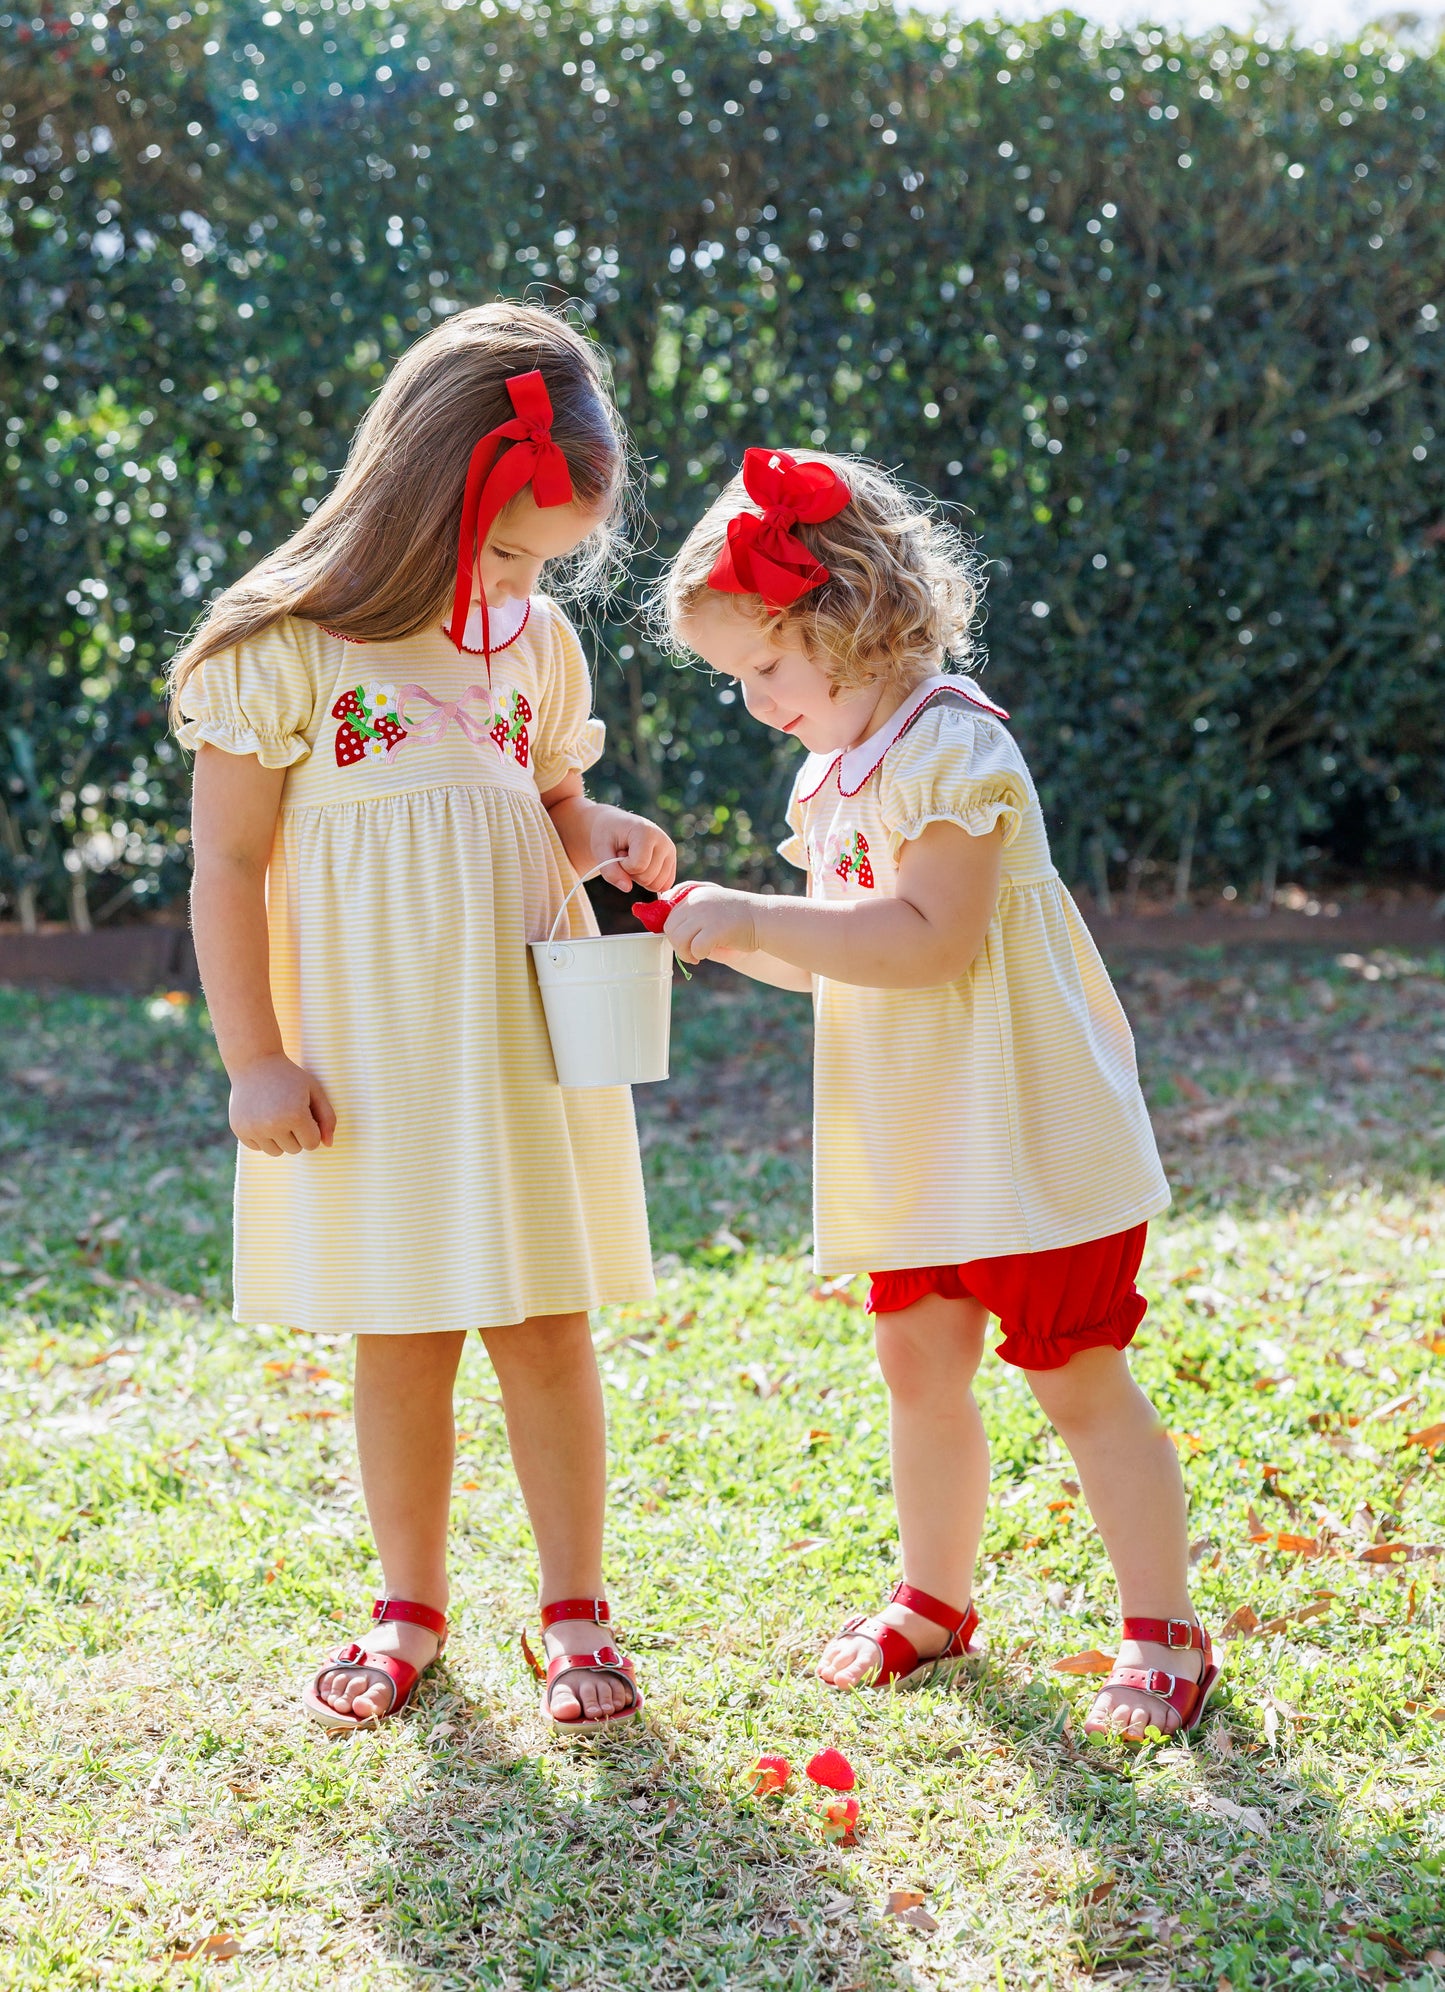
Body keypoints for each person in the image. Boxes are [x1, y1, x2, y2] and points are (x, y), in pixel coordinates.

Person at [653, 448, 1218, 1741]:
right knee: (917, 1362)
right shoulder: (830, 774)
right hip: (920, 1133)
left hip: (1022, 1128)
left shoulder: (954, 749)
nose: (751, 702)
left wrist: (762, 913)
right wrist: (726, 933)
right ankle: (935, 1597)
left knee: (1074, 1374)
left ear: (845, 620)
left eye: (763, 669)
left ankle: (1162, 1630)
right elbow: (844, 956)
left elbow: (927, 942)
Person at [170, 303, 674, 1736]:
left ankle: (575, 1608)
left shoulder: (535, 645)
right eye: (507, 548)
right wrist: (254, 1057)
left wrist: (602, 830)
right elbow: (229, 862)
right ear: (420, 494)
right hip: (369, 1048)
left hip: (518, 1035)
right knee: (401, 1330)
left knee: (546, 1320)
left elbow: (542, 808)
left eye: (543, 560)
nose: (520, 580)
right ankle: (408, 1605)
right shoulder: (282, 648)